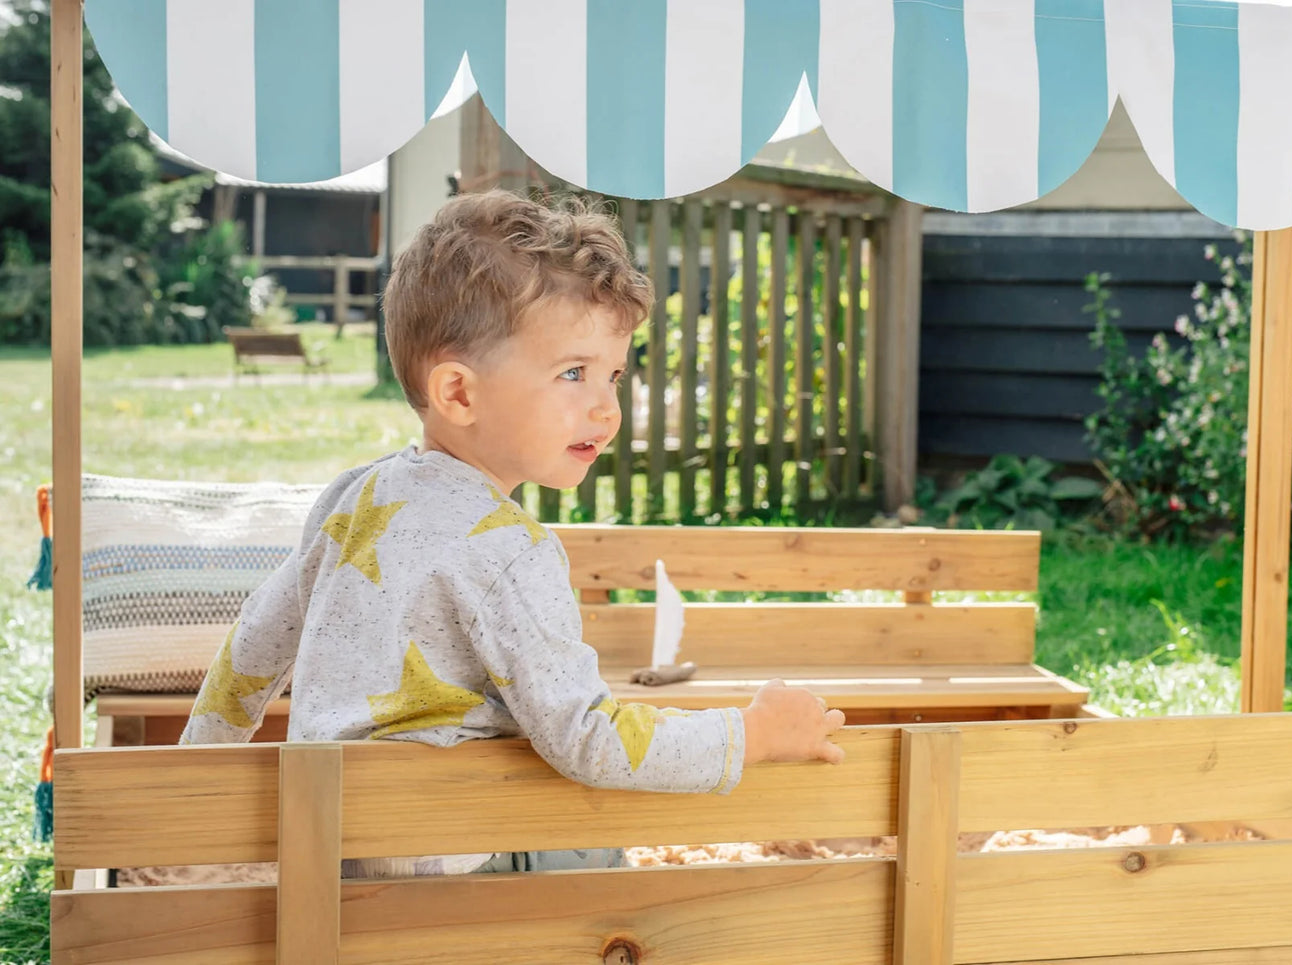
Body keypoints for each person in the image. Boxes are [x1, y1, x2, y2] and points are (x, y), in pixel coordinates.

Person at [179, 190, 846, 877]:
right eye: (572, 373)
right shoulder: (509, 545)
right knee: (602, 847)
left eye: (613, 375)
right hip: (461, 861)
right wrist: (748, 733)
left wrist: (194, 776)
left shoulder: (352, 497)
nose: (605, 407)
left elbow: (254, 643)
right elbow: (588, 738)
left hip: (336, 852)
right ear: (459, 393)